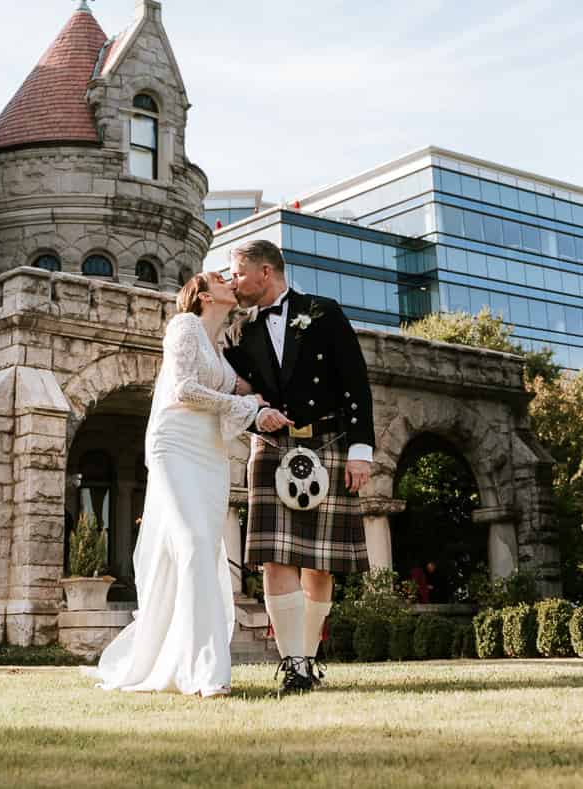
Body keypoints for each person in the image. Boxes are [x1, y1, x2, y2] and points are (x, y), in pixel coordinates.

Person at [92, 271, 291, 697]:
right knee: (194, 544)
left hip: (209, 454)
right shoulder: (183, 327)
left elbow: (252, 393)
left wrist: (267, 409)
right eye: (221, 279)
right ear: (202, 295)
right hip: (176, 445)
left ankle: (185, 657)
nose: (229, 282)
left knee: (202, 549)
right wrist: (246, 405)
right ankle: (206, 671)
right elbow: (183, 389)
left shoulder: (220, 351)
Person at [224, 238, 376, 695]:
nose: (234, 282)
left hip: (327, 441)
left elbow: (355, 381)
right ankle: (292, 664)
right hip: (271, 446)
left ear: (264, 272)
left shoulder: (323, 312)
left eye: (237, 273)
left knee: (320, 564)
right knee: (274, 557)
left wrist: (361, 450)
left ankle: (308, 659)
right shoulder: (238, 331)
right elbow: (236, 392)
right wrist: (253, 414)